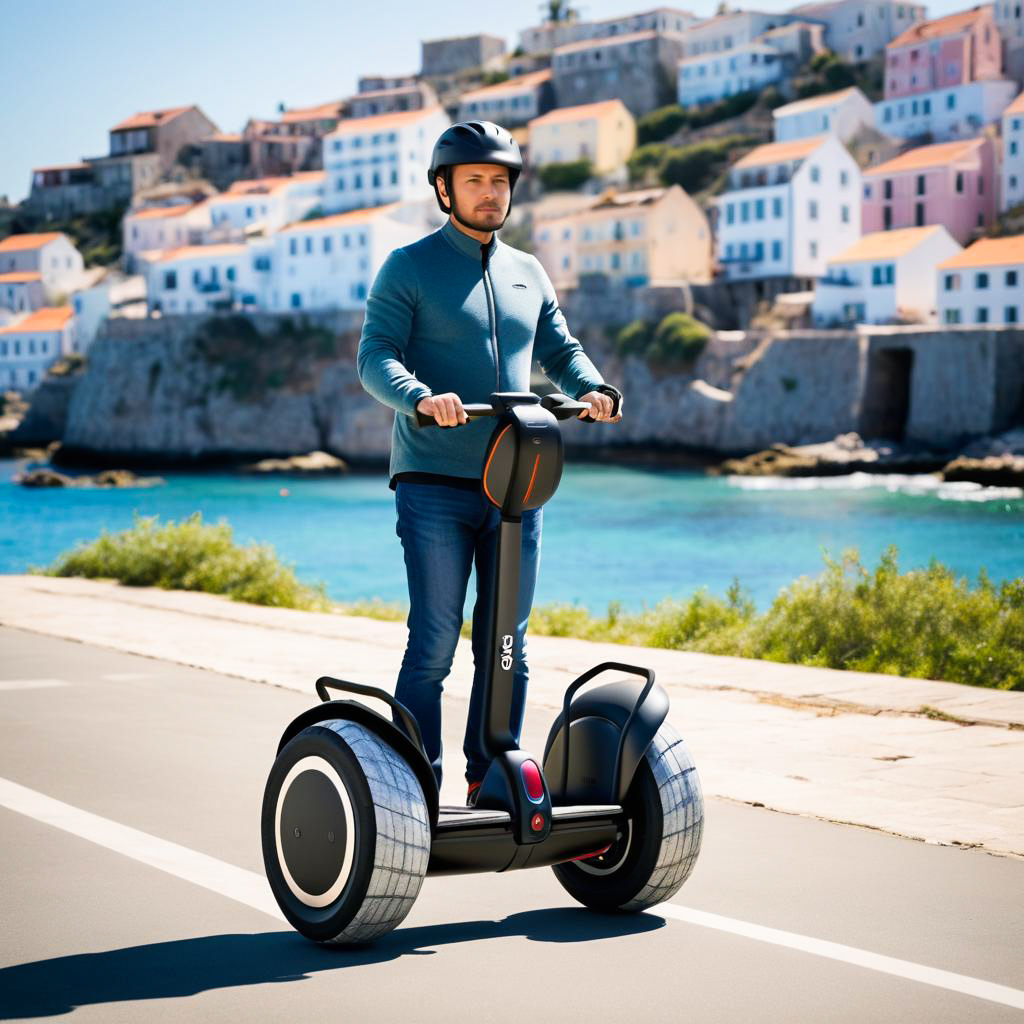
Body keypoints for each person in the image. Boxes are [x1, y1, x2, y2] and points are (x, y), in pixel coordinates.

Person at [357, 120, 622, 804]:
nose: (488, 194)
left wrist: (590, 387)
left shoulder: (528, 272)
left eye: (499, 181)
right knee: (436, 642)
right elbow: (375, 357)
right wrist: (420, 398)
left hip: (516, 482)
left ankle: (489, 776)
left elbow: (560, 351)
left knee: (507, 646)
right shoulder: (408, 266)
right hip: (433, 483)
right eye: (473, 181)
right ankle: (412, 786)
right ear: (444, 189)